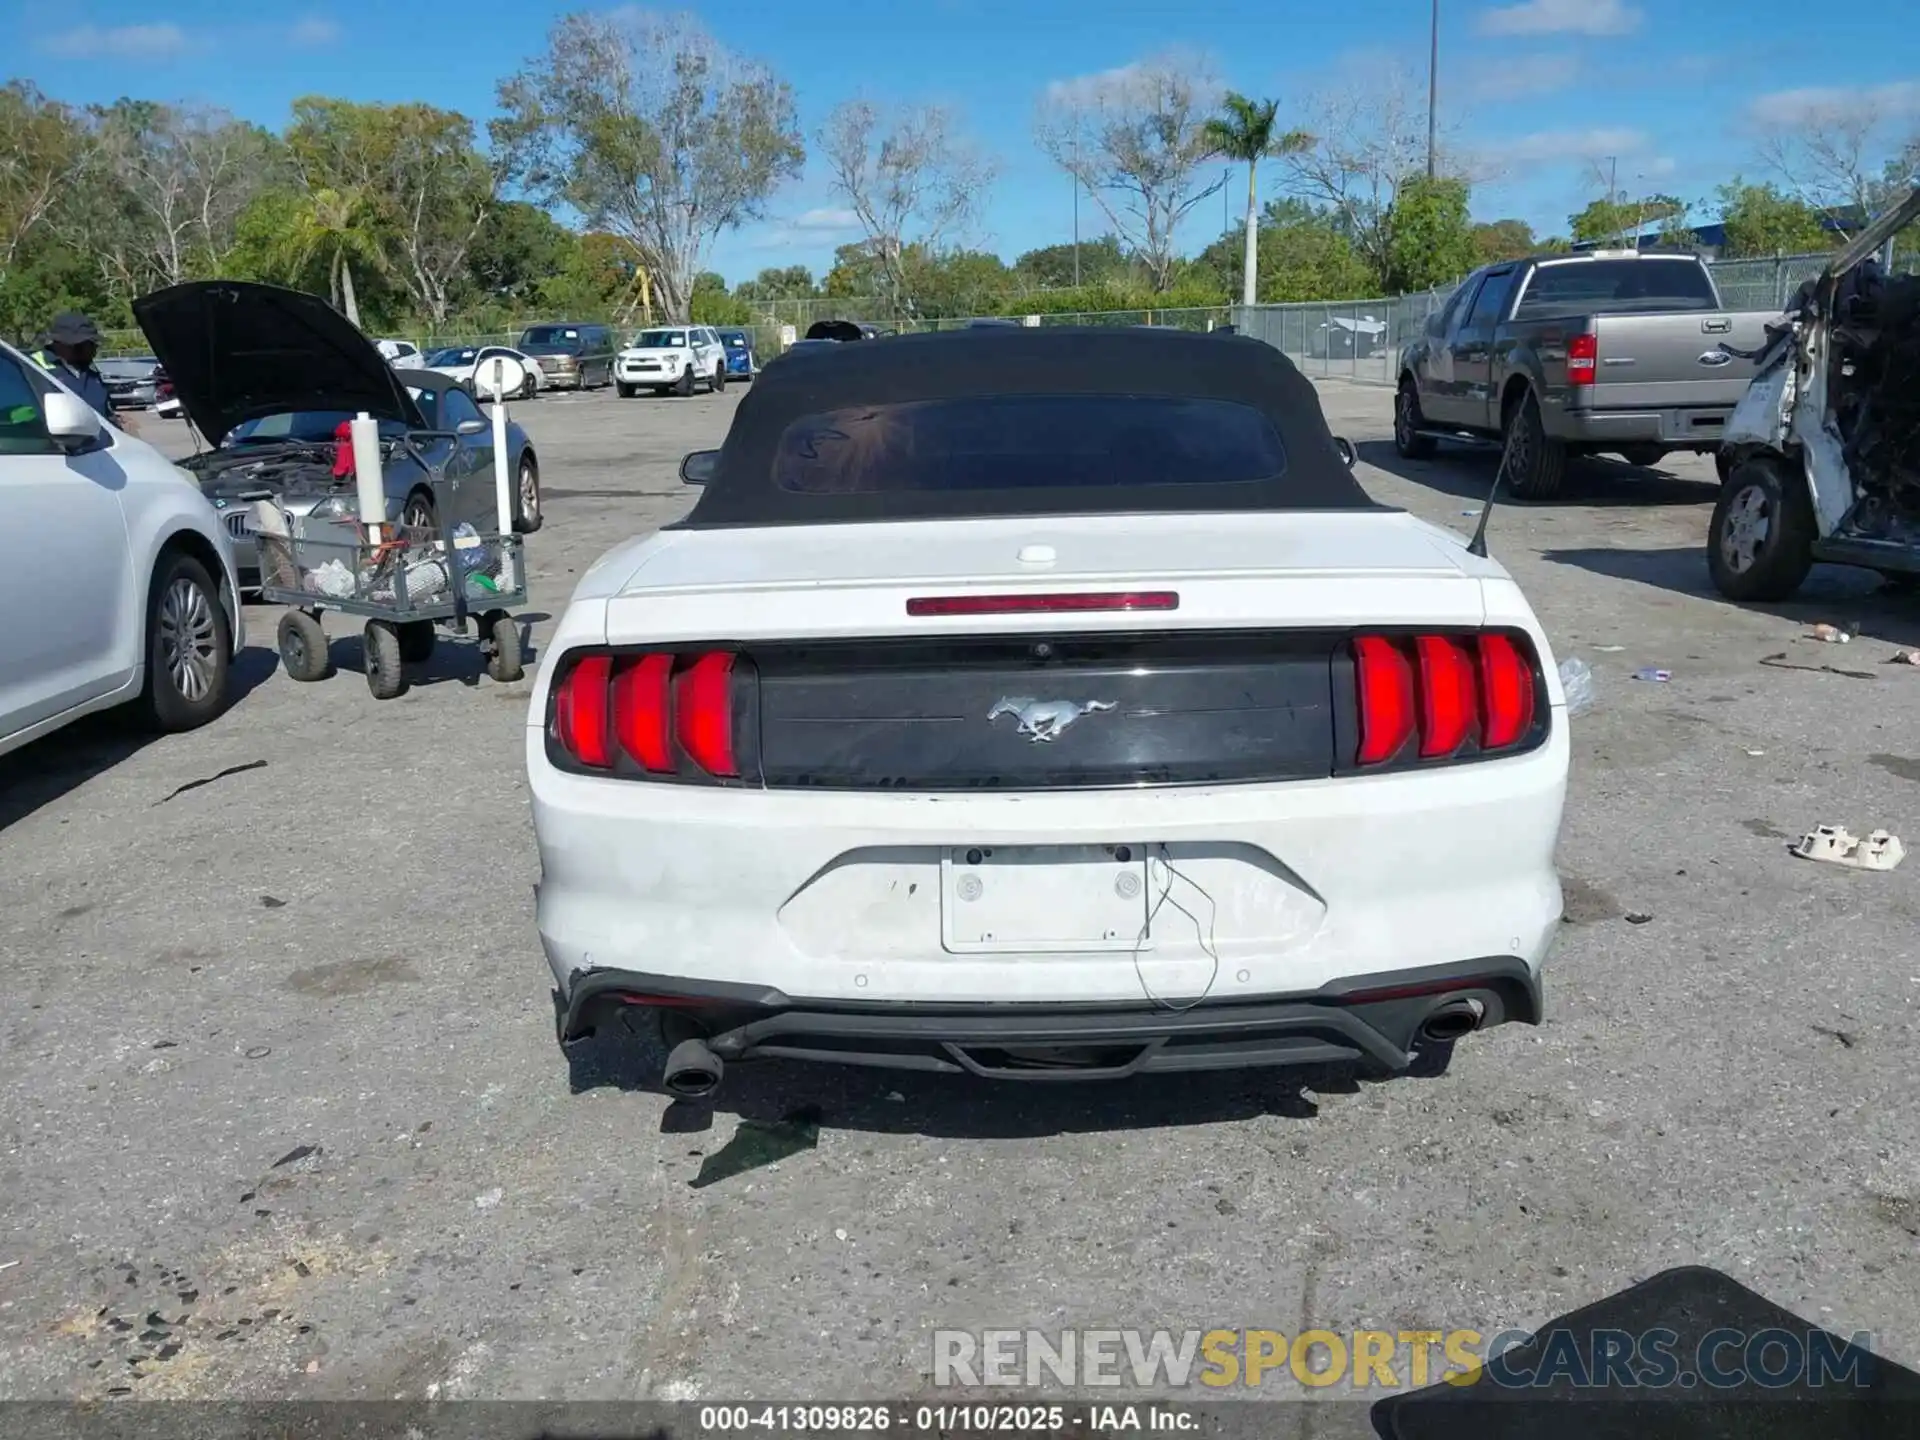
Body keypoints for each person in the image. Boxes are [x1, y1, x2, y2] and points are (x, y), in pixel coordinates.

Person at [30, 311, 129, 430]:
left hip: (100, 446)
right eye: (88, 344)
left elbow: (105, 412)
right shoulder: (33, 368)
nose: (94, 349)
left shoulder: (91, 373)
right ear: (67, 344)